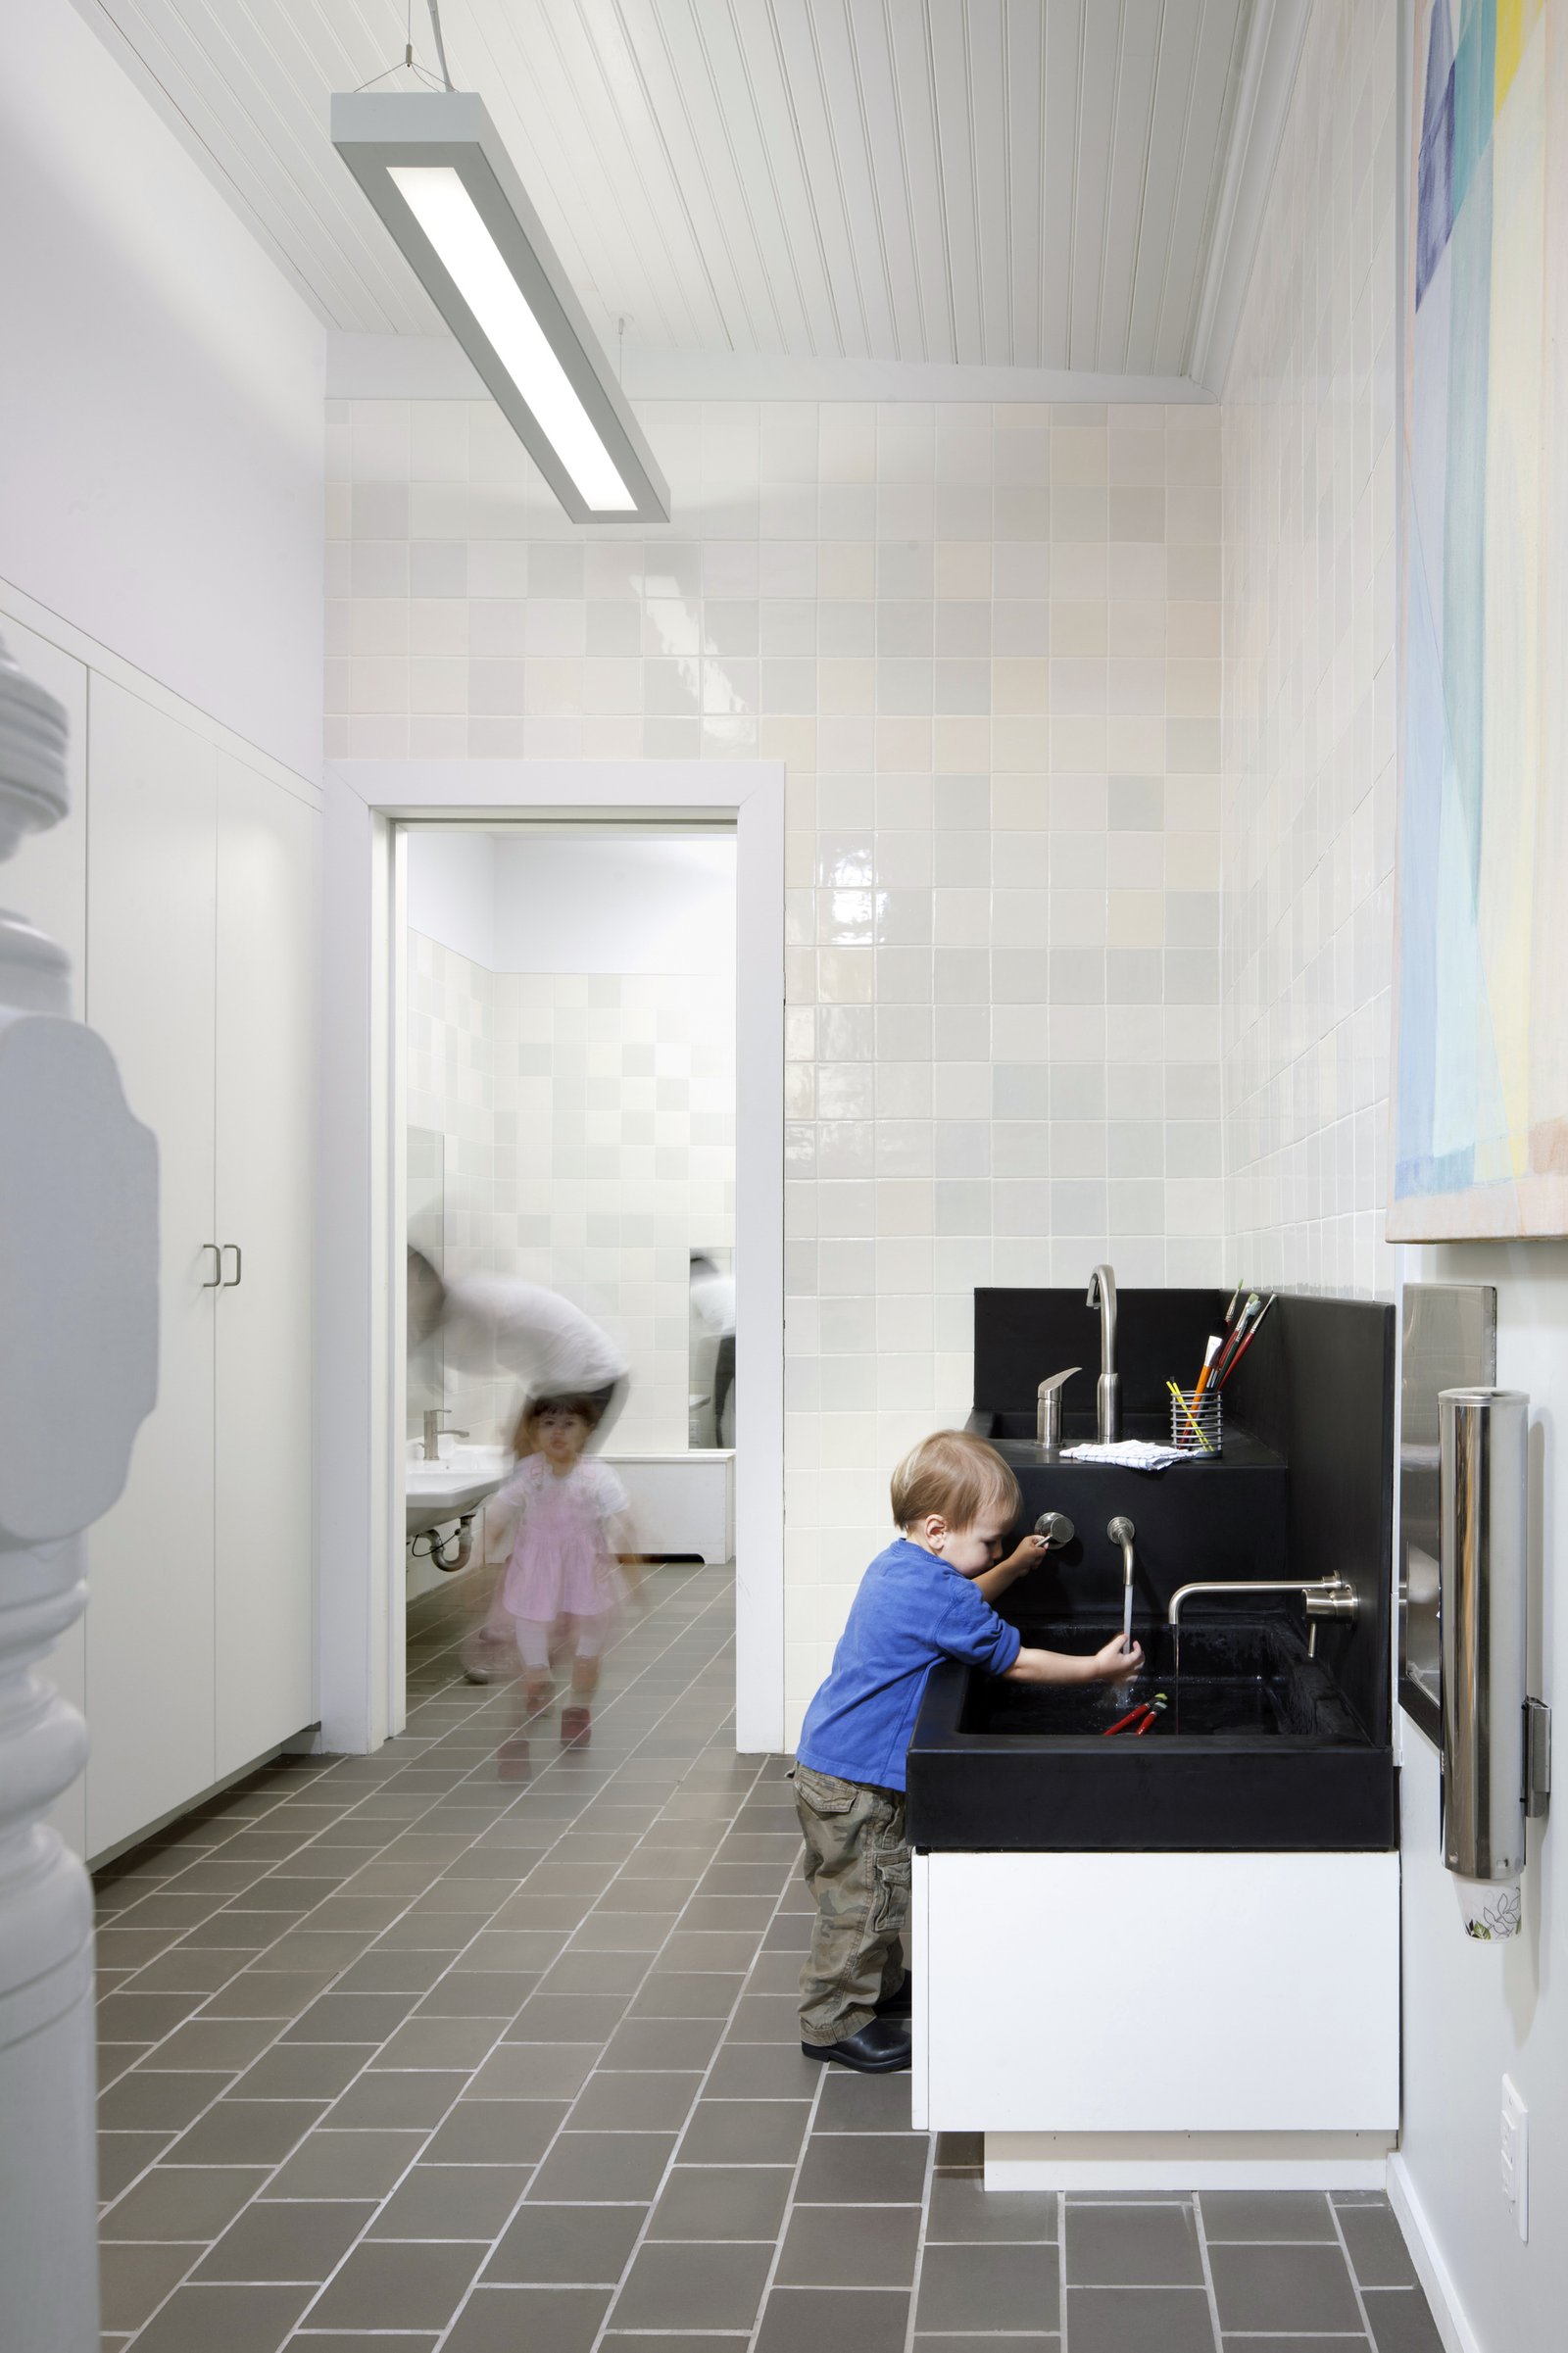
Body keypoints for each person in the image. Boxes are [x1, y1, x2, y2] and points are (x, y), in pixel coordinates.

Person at [792, 1429, 1143, 2074]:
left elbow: (956, 1607)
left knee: (857, 1887)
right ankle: (833, 2020)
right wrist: (1095, 1668)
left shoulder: (899, 1566)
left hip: (827, 1764)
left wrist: (1007, 1567)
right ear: (936, 1530)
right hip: (860, 1781)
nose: (997, 1550)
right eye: (988, 1541)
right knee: (867, 1893)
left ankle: (874, 1982)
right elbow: (1018, 1663)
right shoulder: (935, 1589)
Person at [494, 1397, 635, 1746]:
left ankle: (577, 1709)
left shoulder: (597, 1476)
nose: (558, 1432)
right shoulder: (529, 1473)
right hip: (534, 1581)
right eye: (548, 1424)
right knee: (534, 1669)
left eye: (569, 1424)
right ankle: (539, 1681)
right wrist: (482, 1552)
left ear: (587, 1432)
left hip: (585, 1579)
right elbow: (499, 1514)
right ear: (533, 1431)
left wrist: (635, 1573)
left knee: (586, 1662)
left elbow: (626, 1523)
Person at [689, 1251, 736, 1445]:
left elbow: (699, 1322)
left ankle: (720, 1451)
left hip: (730, 1339)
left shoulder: (695, 1288)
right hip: (752, 1340)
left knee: (719, 1406)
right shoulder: (731, 1279)